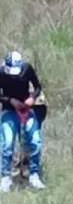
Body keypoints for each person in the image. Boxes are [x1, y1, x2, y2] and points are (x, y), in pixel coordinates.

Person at [0, 51, 44, 192]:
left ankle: (34, 175)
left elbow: (37, 86)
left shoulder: (27, 69)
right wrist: (11, 101)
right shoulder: (1, 73)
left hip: (26, 109)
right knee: (7, 142)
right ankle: (5, 177)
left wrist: (32, 98)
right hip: (9, 110)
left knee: (35, 140)